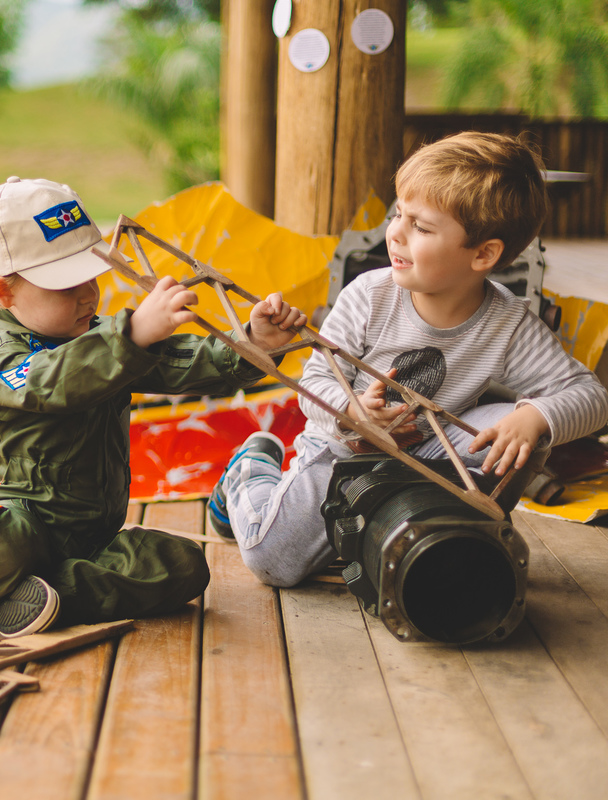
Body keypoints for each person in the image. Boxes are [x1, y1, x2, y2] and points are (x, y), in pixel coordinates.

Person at [0, 176, 307, 637]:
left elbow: (185, 363)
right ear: (3, 291)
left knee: (183, 567)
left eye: (90, 278)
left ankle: (47, 595)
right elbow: (58, 379)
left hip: (91, 535)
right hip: (20, 515)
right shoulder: (6, 361)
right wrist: (132, 335)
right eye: (63, 285)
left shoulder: (103, 339)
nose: (86, 296)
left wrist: (254, 342)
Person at [209, 131, 608, 587]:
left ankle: (472, 527)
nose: (394, 233)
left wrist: (536, 415)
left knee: (525, 433)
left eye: (420, 226)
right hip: (343, 450)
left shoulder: (507, 323)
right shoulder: (369, 297)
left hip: (433, 449)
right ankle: (251, 467)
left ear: (484, 254)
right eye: (399, 213)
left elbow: (592, 396)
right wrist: (351, 414)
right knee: (273, 562)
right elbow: (315, 378)